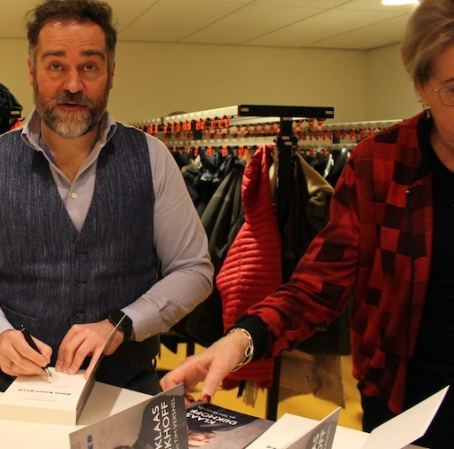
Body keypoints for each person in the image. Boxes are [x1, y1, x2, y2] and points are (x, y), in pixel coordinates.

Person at [160, 0, 454, 446]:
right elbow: (318, 284)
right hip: (407, 400)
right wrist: (241, 339)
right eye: (453, 88)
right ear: (421, 86)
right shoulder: (381, 165)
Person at [0, 0, 213, 395]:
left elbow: (193, 270)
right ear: (32, 71)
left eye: (89, 67)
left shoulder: (153, 158)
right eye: (56, 66)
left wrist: (121, 324)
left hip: (128, 387)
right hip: (18, 389)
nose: (73, 85)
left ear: (111, 73)